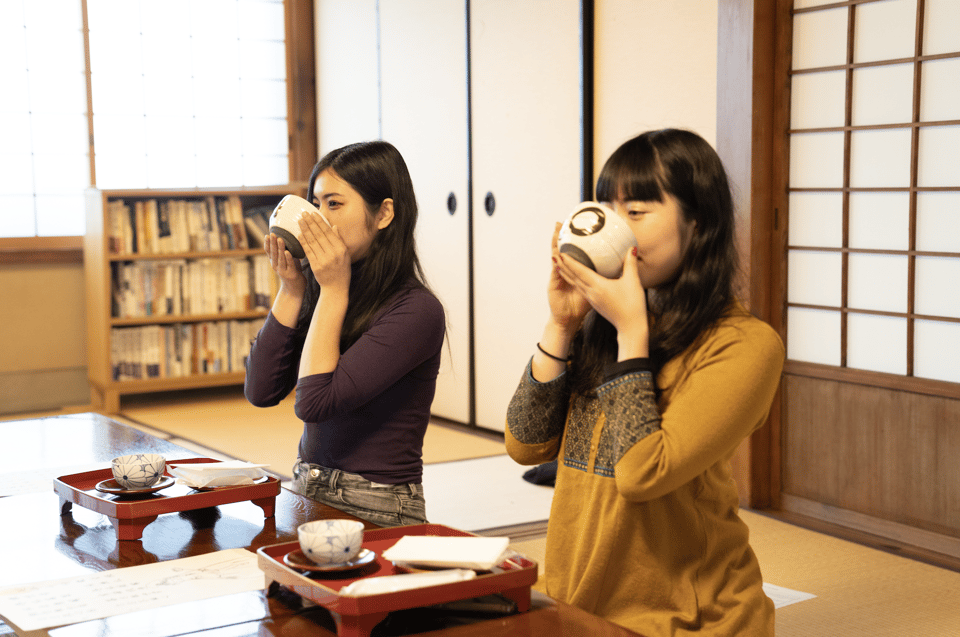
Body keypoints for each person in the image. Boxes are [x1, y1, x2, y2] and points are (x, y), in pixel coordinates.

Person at [505, 129, 784, 635]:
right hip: (577, 602)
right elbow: (525, 444)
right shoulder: (600, 324)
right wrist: (563, 324)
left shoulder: (745, 344)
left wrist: (632, 332)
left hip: (689, 619)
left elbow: (641, 475)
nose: (614, 227)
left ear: (697, 223)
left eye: (635, 211)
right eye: (607, 209)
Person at [244, 140, 445, 527]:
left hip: (378, 503)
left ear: (384, 213)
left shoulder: (417, 310)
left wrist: (333, 290)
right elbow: (261, 390)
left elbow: (314, 405)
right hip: (305, 485)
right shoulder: (324, 292)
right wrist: (292, 290)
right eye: (315, 203)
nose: (317, 219)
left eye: (334, 204)